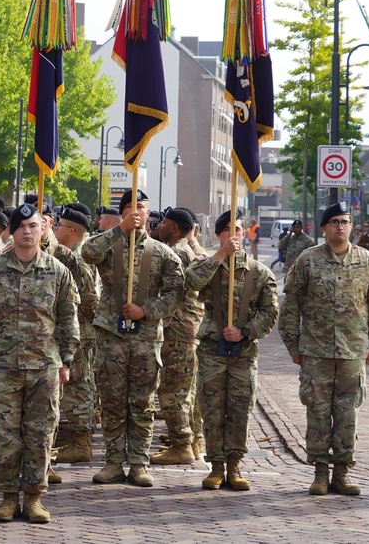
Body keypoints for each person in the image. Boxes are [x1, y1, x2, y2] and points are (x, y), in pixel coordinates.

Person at [0, 203, 80, 524]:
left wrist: (66, 360)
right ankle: (6, 498)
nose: (28, 231)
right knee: (4, 435)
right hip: (3, 367)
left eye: (33, 226)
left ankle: (33, 498)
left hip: (45, 367)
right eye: (22, 227)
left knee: (41, 435)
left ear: (42, 229)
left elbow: (68, 320)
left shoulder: (58, 272)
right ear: (13, 232)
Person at [279, 201, 369, 496]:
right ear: (325, 227)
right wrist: (292, 343)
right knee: (317, 411)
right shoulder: (307, 260)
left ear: (352, 226)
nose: (341, 226)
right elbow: (291, 303)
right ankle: (319, 472)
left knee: (347, 413)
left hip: (353, 350)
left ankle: (342, 472)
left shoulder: (367, 261)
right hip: (316, 350)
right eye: (335, 222)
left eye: (345, 221)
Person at [82, 189, 184, 488]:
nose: (137, 213)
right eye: (131, 208)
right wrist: (118, 230)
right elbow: (88, 254)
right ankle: (113, 462)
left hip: (145, 336)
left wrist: (145, 310)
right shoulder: (109, 244)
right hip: (111, 334)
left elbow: (175, 293)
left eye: (142, 208)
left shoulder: (163, 253)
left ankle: (139, 462)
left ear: (149, 214)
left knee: (141, 402)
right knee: (112, 400)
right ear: (123, 212)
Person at [186, 209, 277, 491]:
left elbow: (270, 312)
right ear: (219, 235)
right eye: (227, 230)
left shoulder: (260, 273)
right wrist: (220, 255)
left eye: (238, 229)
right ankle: (215, 465)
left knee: (239, 409)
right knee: (212, 408)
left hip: (243, 352)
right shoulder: (207, 264)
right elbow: (191, 282)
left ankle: (235, 465)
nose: (233, 235)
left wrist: (245, 331)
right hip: (213, 349)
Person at [149, 207, 206, 465]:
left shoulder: (177, 253)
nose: (159, 226)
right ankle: (191, 442)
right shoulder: (187, 249)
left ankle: (181, 444)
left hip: (178, 330)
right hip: (185, 329)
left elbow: (171, 294)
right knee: (186, 391)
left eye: (164, 223)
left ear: (174, 228)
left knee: (173, 391)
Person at [50, 204, 100, 464]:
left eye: (58, 226)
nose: (55, 230)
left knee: (78, 386)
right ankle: (72, 437)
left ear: (71, 230)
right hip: (72, 330)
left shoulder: (76, 258)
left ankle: (81, 442)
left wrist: (80, 325)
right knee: (72, 386)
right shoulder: (70, 255)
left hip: (78, 330)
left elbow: (91, 298)